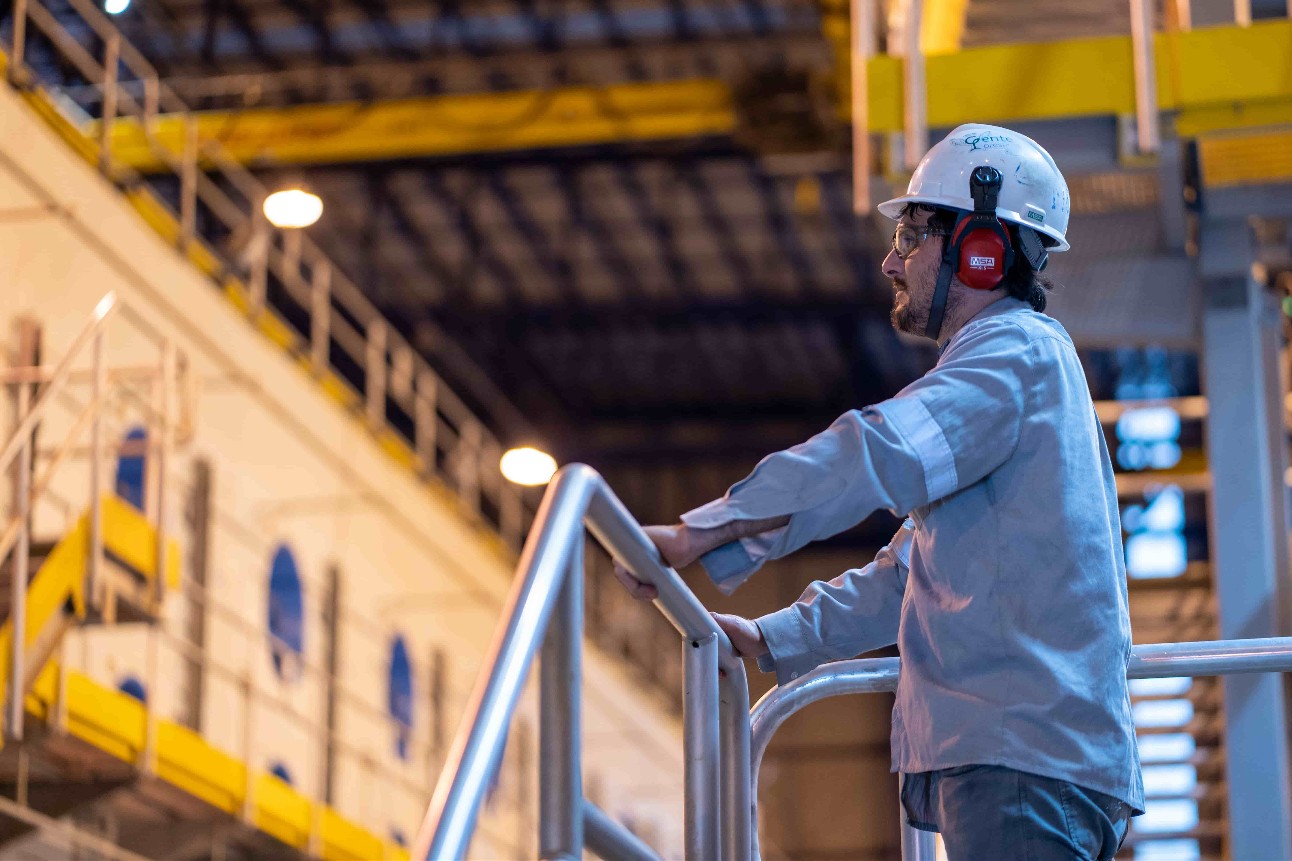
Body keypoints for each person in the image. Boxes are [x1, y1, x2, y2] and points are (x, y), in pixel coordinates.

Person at [614, 124, 1143, 860]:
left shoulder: (1015, 357)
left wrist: (703, 531)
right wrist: (774, 637)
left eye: (914, 234)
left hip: (1021, 762)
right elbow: (913, 571)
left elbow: (875, 451)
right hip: (1023, 761)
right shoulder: (1015, 371)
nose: (891, 261)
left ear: (983, 251)